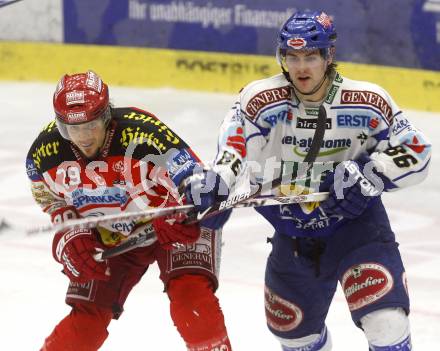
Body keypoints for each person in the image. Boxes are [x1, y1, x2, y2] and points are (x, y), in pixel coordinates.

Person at [210, 11, 431, 351]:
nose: (301, 67)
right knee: (295, 336)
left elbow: (417, 151)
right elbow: (236, 143)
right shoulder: (260, 100)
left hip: (357, 230)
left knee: (387, 323)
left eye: (310, 57)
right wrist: (221, 179)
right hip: (294, 236)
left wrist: (371, 173)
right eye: (292, 56)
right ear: (281, 57)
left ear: (329, 56)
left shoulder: (368, 101)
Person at [25, 70, 232, 351]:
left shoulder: (143, 134)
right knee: (84, 328)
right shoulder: (43, 154)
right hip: (110, 237)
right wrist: (70, 233)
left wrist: (191, 208)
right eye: (72, 128)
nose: (83, 137)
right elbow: (51, 199)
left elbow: (194, 178)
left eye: (91, 125)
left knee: (193, 307)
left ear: (106, 115)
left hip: (169, 226)